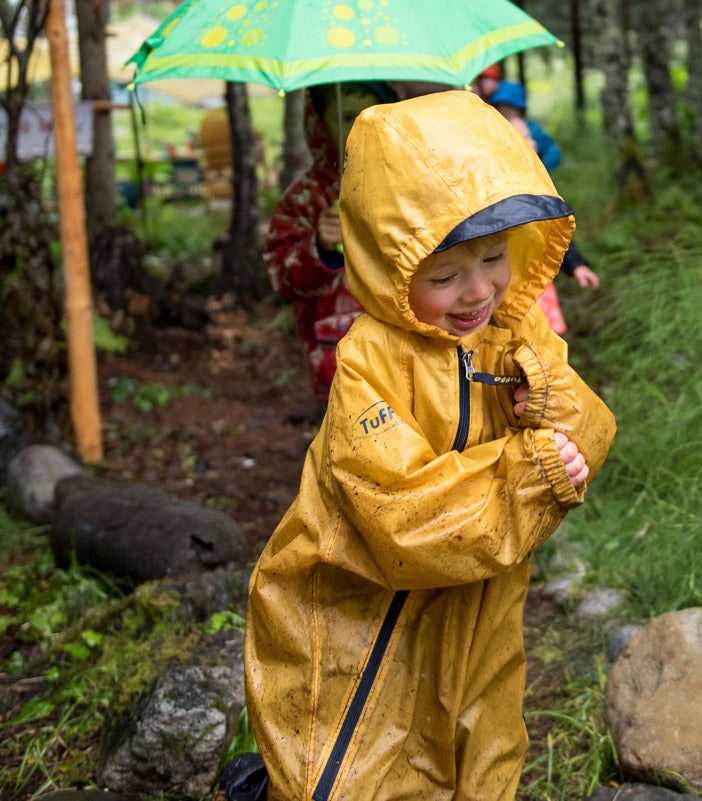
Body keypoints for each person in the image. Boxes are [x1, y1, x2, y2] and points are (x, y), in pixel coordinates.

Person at [242, 90, 617, 801]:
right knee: (354, 756)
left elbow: (588, 421)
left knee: (483, 740)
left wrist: (549, 407)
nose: (478, 291)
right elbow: (401, 515)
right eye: (444, 275)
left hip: (480, 601)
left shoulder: (512, 333)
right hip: (362, 612)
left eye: (494, 258)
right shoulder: (369, 363)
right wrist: (529, 474)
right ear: (389, 263)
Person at [263, 81, 395, 414]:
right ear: (319, 125)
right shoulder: (304, 199)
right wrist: (319, 247)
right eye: (347, 116)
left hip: (404, 343)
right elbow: (283, 278)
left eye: (369, 114)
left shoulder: (403, 182)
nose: (359, 126)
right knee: (351, 438)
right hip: (337, 352)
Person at [488, 79, 599, 333]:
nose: (531, 142)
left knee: (542, 338)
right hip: (504, 286)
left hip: (536, 283)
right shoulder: (494, 193)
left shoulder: (540, 192)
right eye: (522, 138)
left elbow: (555, 229)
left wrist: (576, 264)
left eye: (529, 136)